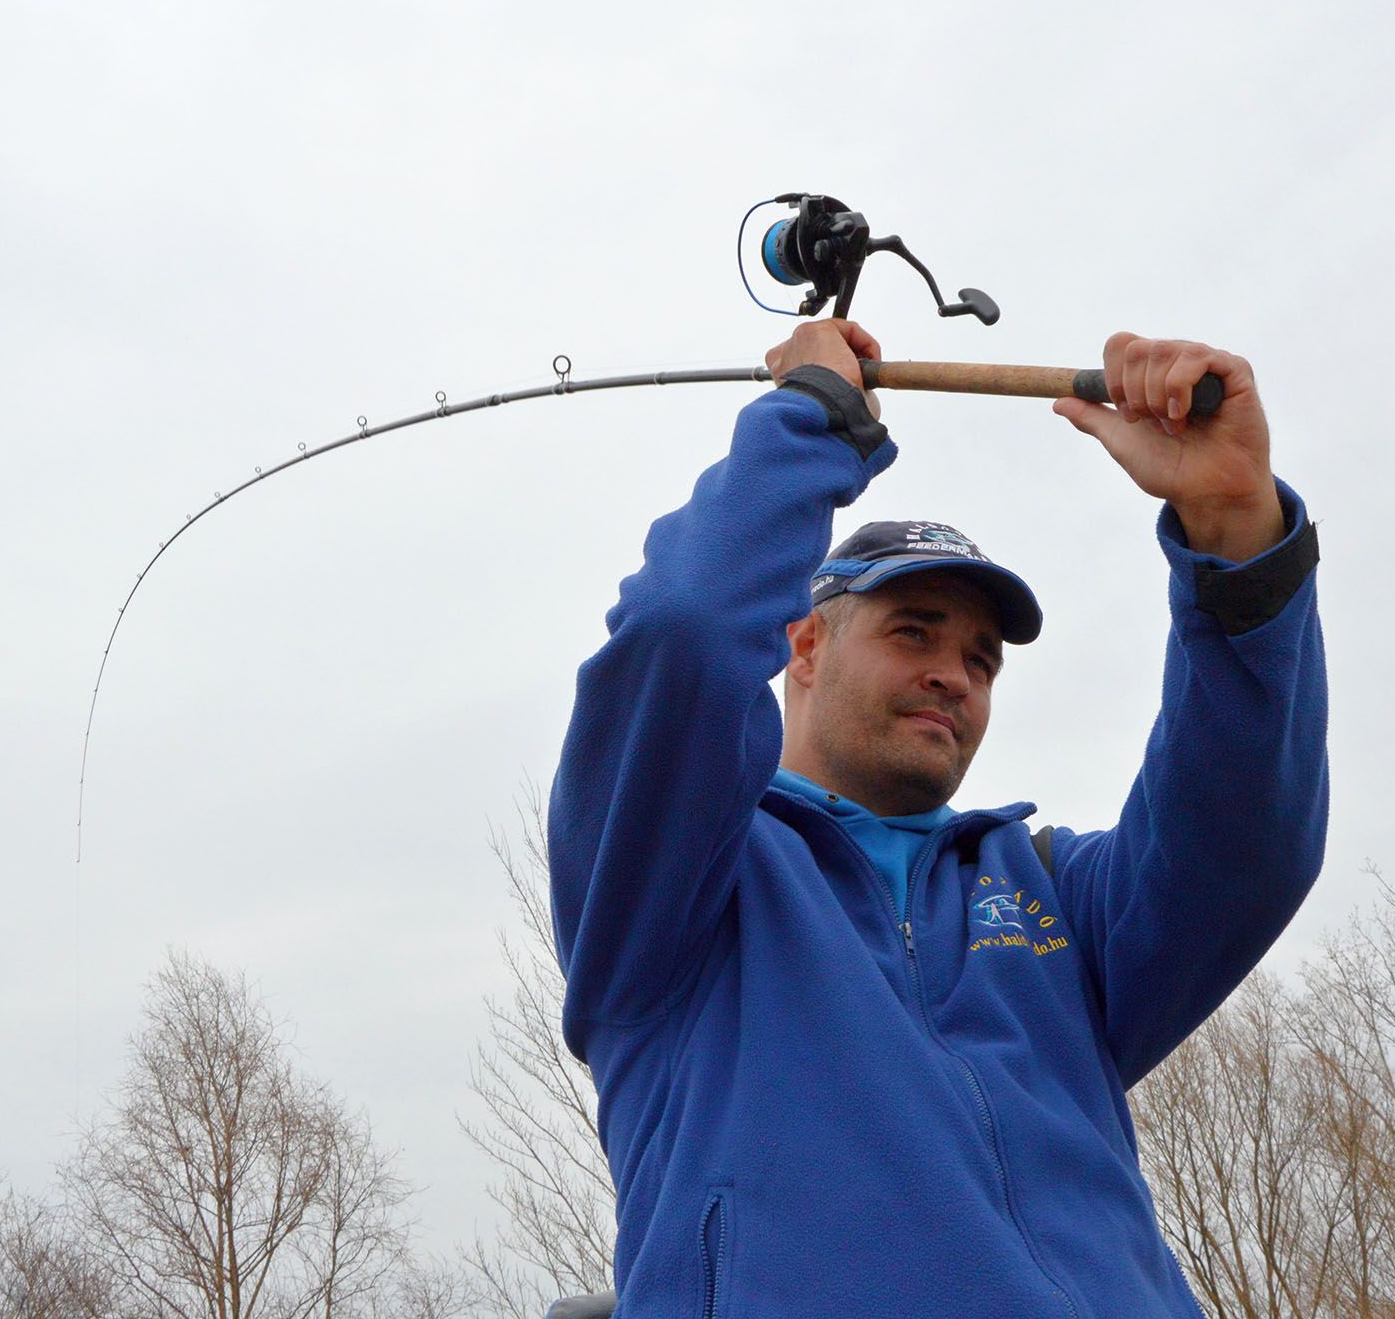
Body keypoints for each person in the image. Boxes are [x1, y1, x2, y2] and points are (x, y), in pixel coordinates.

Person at [547, 319, 1327, 1317]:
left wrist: (1236, 530)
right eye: (912, 631)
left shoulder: (1055, 897)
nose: (951, 675)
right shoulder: (678, 884)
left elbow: (1248, 840)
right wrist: (810, 423)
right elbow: (683, 637)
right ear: (806, 649)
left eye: (981, 658)